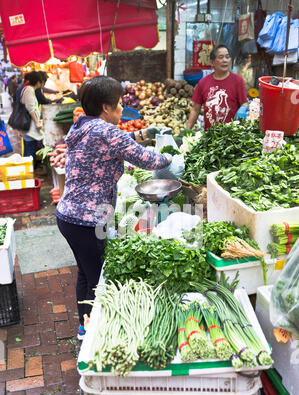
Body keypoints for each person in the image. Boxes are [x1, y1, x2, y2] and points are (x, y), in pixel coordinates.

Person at [54, 76, 174, 340]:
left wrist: (141, 134)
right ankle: (94, 333)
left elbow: (116, 140)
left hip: (69, 216)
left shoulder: (84, 126)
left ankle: (84, 326)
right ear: (106, 108)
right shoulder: (105, 131)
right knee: (97, 279)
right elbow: (145, 159)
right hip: (87, 220)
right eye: (119, 104)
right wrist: (171, 157)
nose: (122, 108)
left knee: (86, 273)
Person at [186, 44, 248, 131]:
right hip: (210, 136)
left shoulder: (237, 81)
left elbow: (244, 103)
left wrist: (243, 108)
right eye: (221, 57)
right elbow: (195, 109)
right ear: (212, 62)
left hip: (232, 135)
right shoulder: (203, 82)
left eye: (227, 57)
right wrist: (187, 130)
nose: (225, 60)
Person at [19, 71, 44, 169]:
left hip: (28, 125)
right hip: (29, 125)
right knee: (30, 152)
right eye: (41, 82)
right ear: (38, 82)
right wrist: (37, 122)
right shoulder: (29, 90)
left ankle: (29, 174)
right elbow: (31, 108)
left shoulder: (29, 89)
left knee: (30, 149)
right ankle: (29, 174)